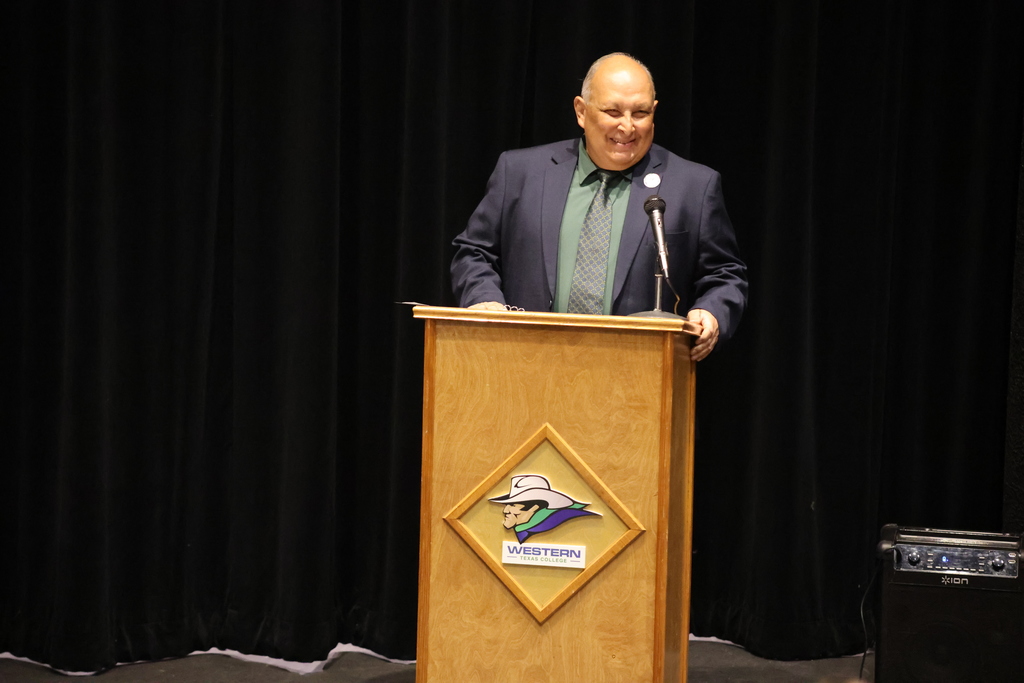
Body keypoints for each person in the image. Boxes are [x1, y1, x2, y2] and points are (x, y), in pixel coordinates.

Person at [450, 53, 747, 361]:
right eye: (613, 111)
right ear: (581, 111)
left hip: (637, 379)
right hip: (523, 366)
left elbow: (725, 273)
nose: (627, 127)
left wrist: (710, 313)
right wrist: (484, 300)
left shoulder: (693, 186)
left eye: (640, 113)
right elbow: (474, 251)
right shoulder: (521, 171)